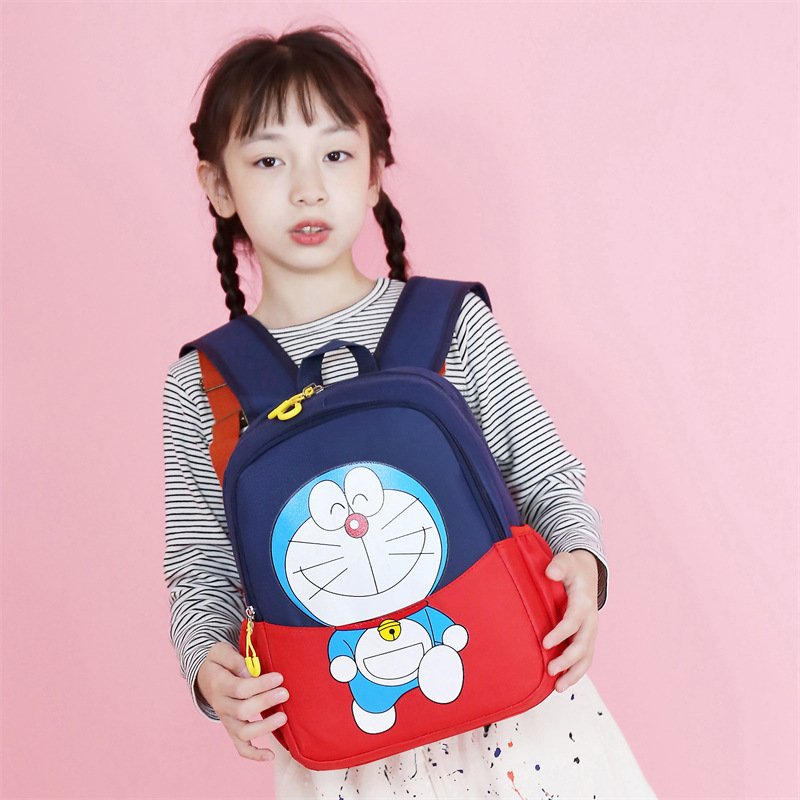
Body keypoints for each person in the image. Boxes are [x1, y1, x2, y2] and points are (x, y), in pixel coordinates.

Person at [163, 24, 656, 799]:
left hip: (524, 723)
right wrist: (207, 668)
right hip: (346, 751)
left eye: (335, 154)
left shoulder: (453, 324)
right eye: (268, 160)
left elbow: (545, 478)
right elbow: (201, 571)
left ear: (374, 173)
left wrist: (583, 567)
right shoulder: (203, 384)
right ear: (217, 185)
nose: (307, 188)